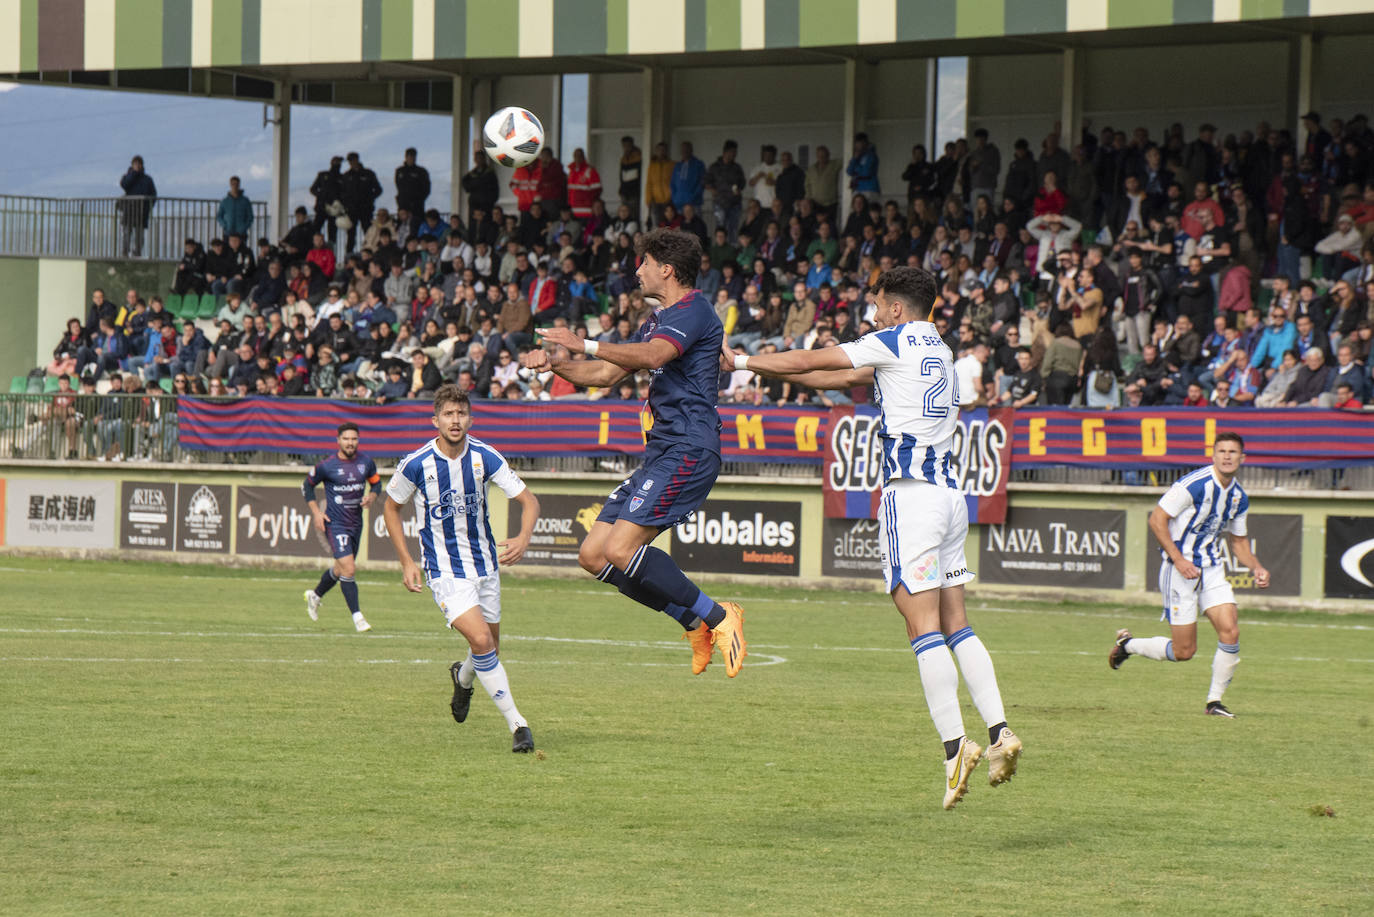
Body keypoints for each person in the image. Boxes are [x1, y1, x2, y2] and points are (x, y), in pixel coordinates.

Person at [724, 265, 1021, 810]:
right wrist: (781, 373)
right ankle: (1001, 730)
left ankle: (956, 747)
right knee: (957, 622)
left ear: (897, 309)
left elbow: (821, 359)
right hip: (951, 498)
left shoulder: (889, 340)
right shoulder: (942, 350)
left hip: (911, 500)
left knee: (920, 625)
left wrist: (741, 361)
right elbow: (837, 378)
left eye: (879, 305)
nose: (873, 314)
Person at [521, 228, 747, 677]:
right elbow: (606, 373)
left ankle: (721, 616)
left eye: (642, 263)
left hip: (690, 446)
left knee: (622, 550)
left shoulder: (694, 311)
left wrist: (581, 341)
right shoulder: (657, 321)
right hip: (662, 451)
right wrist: (557, 364)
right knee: (594, 555)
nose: (635, 270)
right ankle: (691, 622)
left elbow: (653, 355)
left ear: (666, 268)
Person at [382, 385, 540, 753]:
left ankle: (463, 678)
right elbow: (391, 507)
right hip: (445, 570)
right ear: (435, 420)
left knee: (489, 647)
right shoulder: (417, 463)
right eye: (448, 414)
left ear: (470, 418)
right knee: (482, 641)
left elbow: (529, 502)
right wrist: (407, 561)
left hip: (486, 565)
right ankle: (518, 724)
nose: (455, 420)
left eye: (461, 413)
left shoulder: (485, 456)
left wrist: (523, 537)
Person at [1110, 431, 1270, 718]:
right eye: (1222, 451)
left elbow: (1238, 541)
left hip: (1210, 568)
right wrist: (1178, 559)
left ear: (1242, 458)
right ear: (1213, 455)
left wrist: (1256, 566)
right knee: (1184, 651)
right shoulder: (1193, 484)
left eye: (1233, 452)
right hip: (1179, 570)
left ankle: (1214, 702)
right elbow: (1157, 519)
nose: (1227, 456)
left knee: (1231, 630)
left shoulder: (1238, 497)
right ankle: (1128, 645)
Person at [302, 423, 382, 633]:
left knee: (341, 569)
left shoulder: (366, 463)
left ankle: (315, 595)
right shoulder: (327, 466)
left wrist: (371, 497)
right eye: (346, 439)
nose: (350, 442)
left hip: (356, 523)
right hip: (335, 524)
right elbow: (307, 486)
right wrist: (316, 512)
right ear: (338, 440)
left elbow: (376, 484)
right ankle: (358, 618)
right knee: (349, 568)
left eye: (354, 439)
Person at [118, 155, 157, 257]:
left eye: (139, 164)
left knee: (140, 235)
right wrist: (133, 173)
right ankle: (125, 252)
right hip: (129, 210)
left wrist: (148, 208)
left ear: (142, 165)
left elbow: (153, 195)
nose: (138, 166)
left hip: (141, 212)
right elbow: (124, 185)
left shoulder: (147, 179)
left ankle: (137, 252)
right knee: (127, 232)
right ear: (132, 165)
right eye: (135, 164)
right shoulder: (127, 177)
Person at [394, 147, 431, 232]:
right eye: (409, 156)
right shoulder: (399, 171)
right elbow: (398, 186)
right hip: (403, 207)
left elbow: (426, 190)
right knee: (401, 229)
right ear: (405, 157)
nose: (411, 159)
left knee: (416, 229)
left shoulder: (421, 171)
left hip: (417, 207)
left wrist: (417, 201)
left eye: (413, 157)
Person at [216, 176, 253, 241]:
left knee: (242, 251)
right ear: (230, 185)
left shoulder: (245, 201)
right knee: (227, 250)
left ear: (239, 185)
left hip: (242, 233)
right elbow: (219, 216)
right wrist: (225, 225)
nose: (235, 186)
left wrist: (244, 227)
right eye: (233, 184)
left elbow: (250, 217)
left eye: (237, 184)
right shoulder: (225, 201)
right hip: (228, 232)